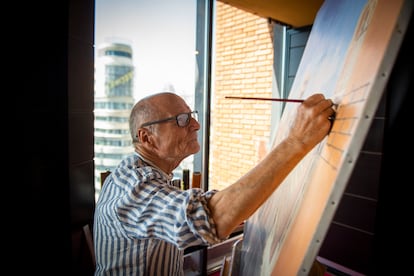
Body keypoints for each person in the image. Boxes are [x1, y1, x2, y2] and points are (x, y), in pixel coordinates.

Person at [93, 91, 336, 275]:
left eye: (191, 116)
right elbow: (210, 218)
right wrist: (297, 141)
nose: (196, 125)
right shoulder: (134, 186)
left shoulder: (152, 175)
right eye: (181, 119)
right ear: (147, 138)